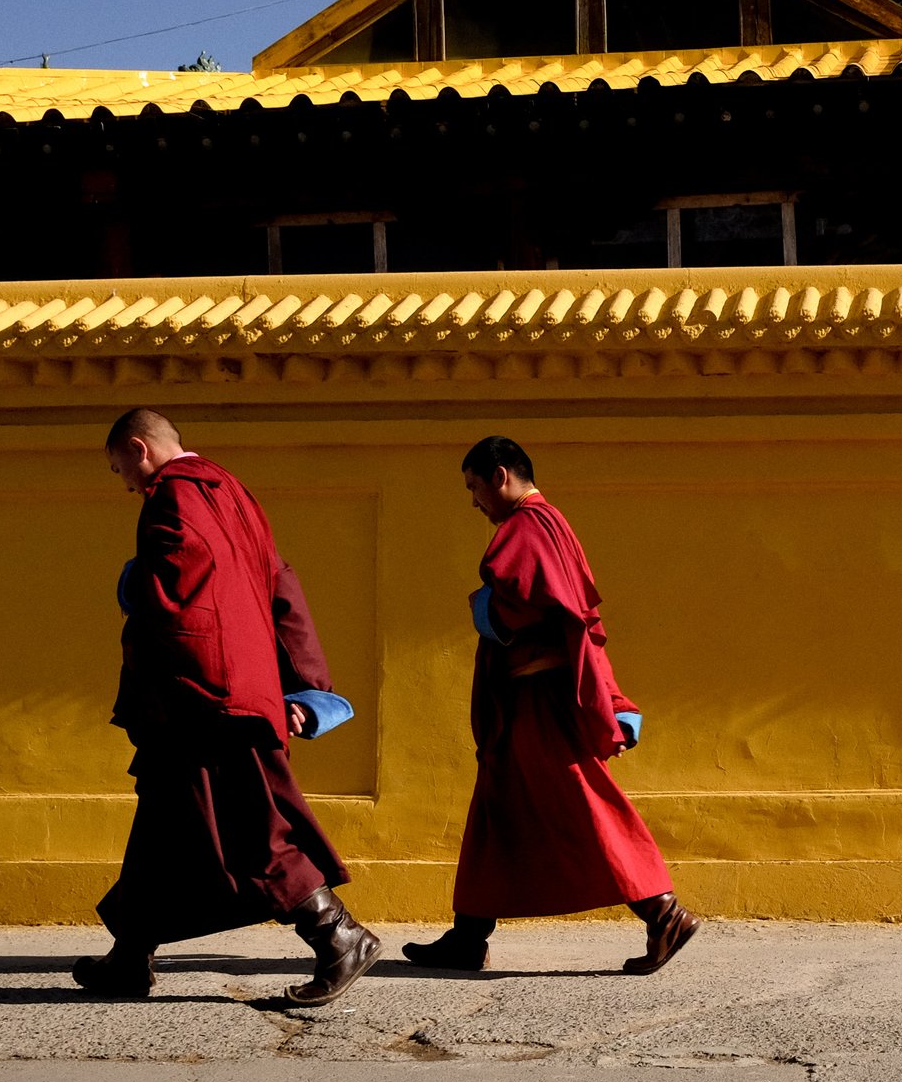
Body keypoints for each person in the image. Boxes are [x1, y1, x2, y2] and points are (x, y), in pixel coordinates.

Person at [74, 408, 382, 1005]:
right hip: (241, 686)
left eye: (121, 470)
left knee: (249, 826)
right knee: (162, 824)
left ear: (140, 450)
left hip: (204, 695)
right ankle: (129, 958)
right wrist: (301, 684)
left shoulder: (173, 498)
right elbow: (280, 584)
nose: (126, 484)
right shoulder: (233, 493)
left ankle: (338, 935)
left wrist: (130, 583)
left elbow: (173, 588)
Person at [404, 436, 699, 975]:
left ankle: (663, 912)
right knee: (496, 812)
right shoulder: (552, 524)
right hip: (529, 700)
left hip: (537, 701)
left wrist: (485, 607)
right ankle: (468, 935)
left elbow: (521, 602)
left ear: (499, 475)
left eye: (474, 487)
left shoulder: (525, 527)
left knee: (581, 802)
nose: (474, 502)